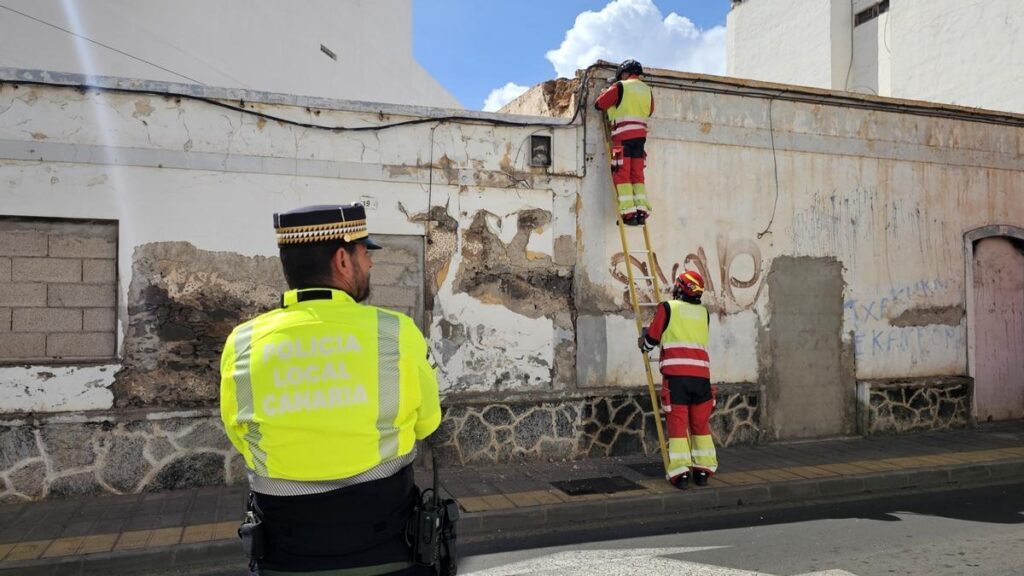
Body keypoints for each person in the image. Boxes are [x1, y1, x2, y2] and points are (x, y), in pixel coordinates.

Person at [219, 202, 442, 575]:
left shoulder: (242, 342)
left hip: (284, 555)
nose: (370, 263)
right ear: (342, 260)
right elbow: (428, 424)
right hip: (386, 552)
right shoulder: (395, 332)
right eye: (364, 252)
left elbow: (240, 435)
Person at [638, 270, 718, 489]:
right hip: (702, 379)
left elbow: (652, 338)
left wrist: (643, 343)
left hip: (677, 379)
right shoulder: (704, 313)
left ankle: (680, 474)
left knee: (678, 426)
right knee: (700, 425)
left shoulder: (667, 308)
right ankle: (703, 471)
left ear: (681, 288)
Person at [594, 58, 654, 227]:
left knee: (621, 174)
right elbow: (649, 110)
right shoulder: (647, 90)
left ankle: (628, 213)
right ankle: (641, 211)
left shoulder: (620, 87)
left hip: (622, 138)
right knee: (637, 175)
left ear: (624, 74)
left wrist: (608, 90)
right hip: (640, 139)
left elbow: (599, 104)